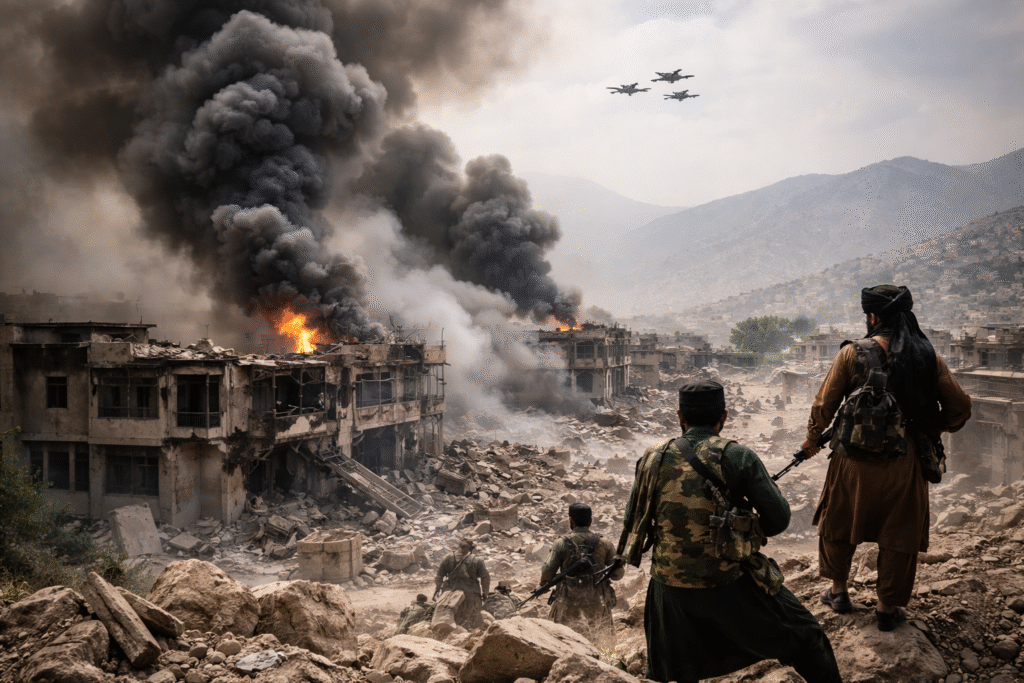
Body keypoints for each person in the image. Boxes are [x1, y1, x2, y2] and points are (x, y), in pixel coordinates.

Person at [620, 380, 842, 683]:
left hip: (668, 589)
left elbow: (634, 519)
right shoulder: (738, 457)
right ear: (723, 417)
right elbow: (779, 519)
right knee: (809, 637)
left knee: (672, 671)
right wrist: (744, 525)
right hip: (727, 583)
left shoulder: (651, 458)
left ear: (679, 417)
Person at [800, 284, 971, 631]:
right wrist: (932, 429)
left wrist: (811, 441)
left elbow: (824, 404)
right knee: (899, 533)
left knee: (839, 522)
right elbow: (960, 407)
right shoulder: (928, 356)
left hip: (852, 461)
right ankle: (886, 609)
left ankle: (838, 592)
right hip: (904, 461)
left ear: (873, 317)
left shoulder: (852, 354)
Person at [539, 502, 624, 650]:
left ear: (570, 521)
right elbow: (617, 575)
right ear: (591, 521)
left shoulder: (561, 543)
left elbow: (547, 572)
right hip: (598, 602)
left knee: (562, 645)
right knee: (600, 644)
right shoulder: (605, 543)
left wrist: (543, 585)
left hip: (567, 602)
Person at [433, 538, 490, 630]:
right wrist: (485, 593)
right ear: (471, 548)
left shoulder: (447, 558)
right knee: (473, 616)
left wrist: (437, 590)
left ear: (458, 546)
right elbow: (485, 578)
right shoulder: (477, 560)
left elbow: (439, 576)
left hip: (449, 591)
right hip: (470, 593)